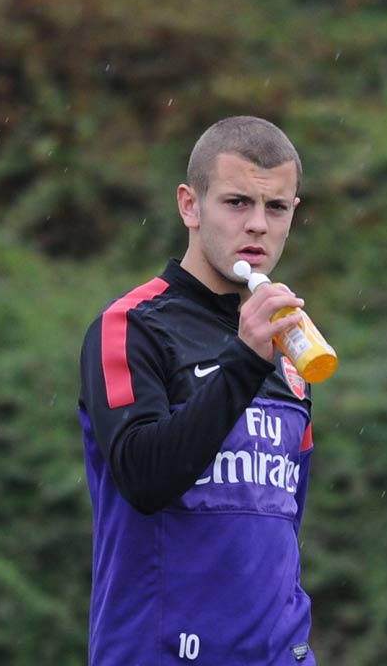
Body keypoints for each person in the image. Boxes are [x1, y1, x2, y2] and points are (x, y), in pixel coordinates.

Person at [77, 116, 318, 665]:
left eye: (275, 207)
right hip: (164, 651)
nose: (257, 224)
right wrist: (243, 362)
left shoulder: (292, 344)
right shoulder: (130, 325)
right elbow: (145, 476)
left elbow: (284, 518)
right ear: (190, 205)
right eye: (237, 203)